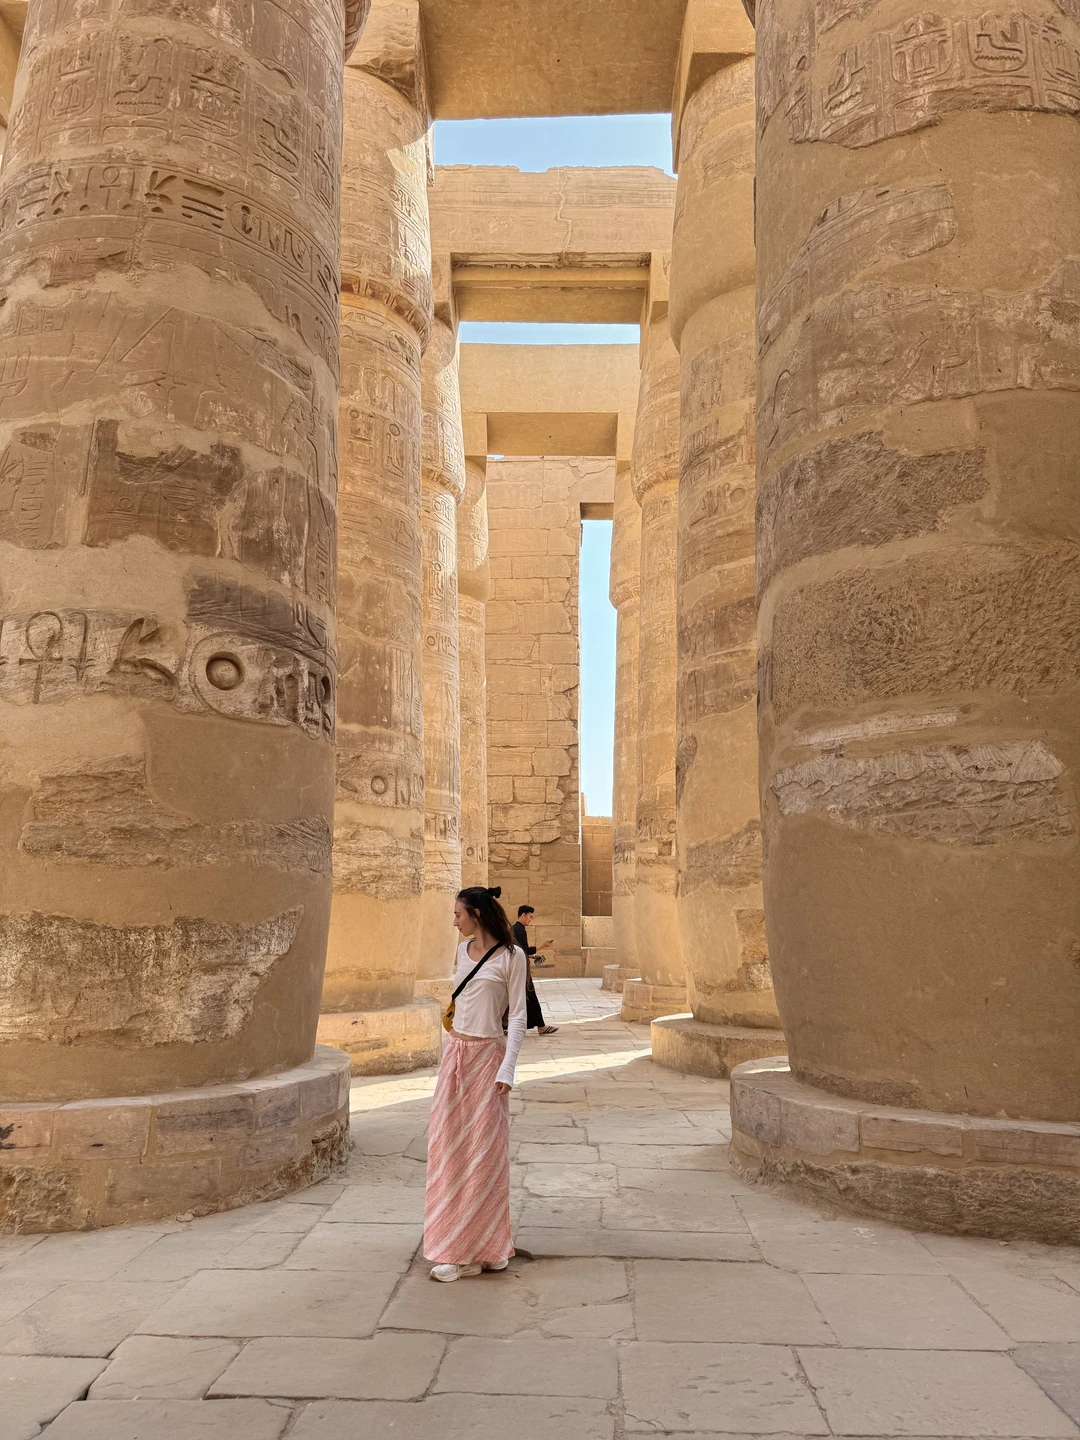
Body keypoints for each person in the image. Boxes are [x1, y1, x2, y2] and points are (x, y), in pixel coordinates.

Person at [423, 885, 527, 1283]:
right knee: (448, 1150)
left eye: (458, 914)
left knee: (485, 1154)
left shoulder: (512, 956)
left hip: (488, 1059)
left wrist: (507, 1069)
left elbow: (517, 1016)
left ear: (477, 915)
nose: (455, 922)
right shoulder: (462, 952)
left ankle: (480, 1248)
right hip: (455, 1056)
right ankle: (458, 1244)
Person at [512, 905, 559, 1036]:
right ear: (523, 915)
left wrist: (532, 956)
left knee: (525, 998)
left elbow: (520, 950)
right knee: (530, 997)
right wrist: (543, 946)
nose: (530, 919)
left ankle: (538, 1026)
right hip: (521, 971)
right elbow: (524, 949)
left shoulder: (516, 928)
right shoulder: (519, 929)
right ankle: (541, 1027)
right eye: (530, 916)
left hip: (518, 969)